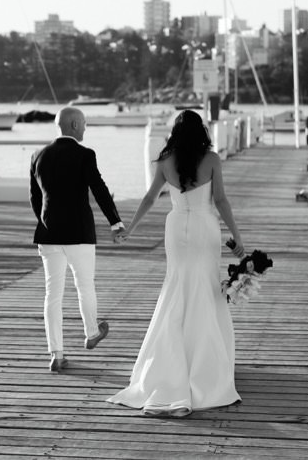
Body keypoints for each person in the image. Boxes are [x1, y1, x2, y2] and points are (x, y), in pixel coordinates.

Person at [107, 109, 244, 417]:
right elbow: (220, 201)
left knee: (177, 288)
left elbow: (149, 198)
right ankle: (203, 365)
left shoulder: (164, 161)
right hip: (203, 229)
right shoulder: (211, 160)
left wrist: (130, 227)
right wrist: (238, 238)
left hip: (176, 227)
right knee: (204, 289)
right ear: (202, 132)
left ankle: (169, 365)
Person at [30, 107, 126, 372]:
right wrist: (115, 222)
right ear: (73, 125)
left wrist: (46, 222)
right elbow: (99, 189)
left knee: (53, 295)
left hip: (48, 235)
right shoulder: (85, 155)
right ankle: (92, 332)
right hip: (80, 234)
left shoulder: (38, 156)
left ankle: (57, 354)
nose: (85, 128)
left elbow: (35, 199)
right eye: (84, 124)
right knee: (85, 285)